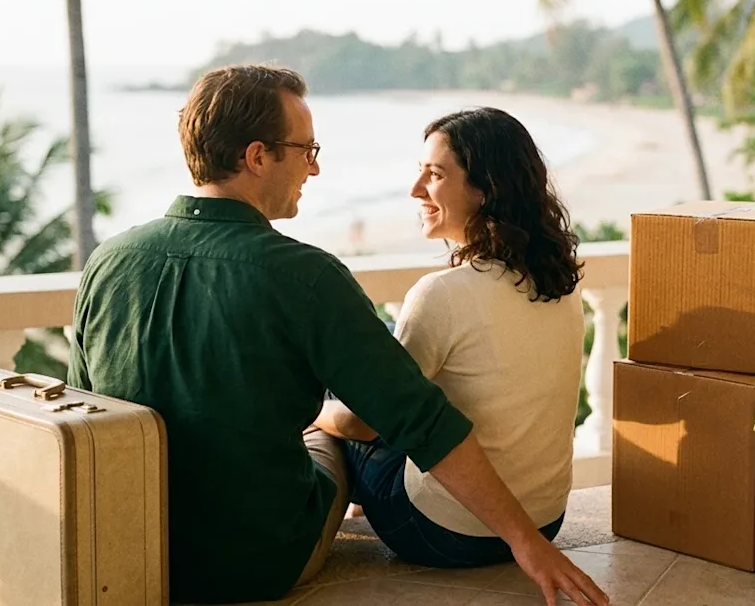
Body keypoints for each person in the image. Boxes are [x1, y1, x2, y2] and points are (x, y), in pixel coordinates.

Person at [68, 65, 608, 606]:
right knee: (326, 429)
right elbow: (423, 424)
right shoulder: (306, 276)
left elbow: (84, 418)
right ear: (258, 157)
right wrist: (526, 542)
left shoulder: (106, 262)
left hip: (139, 557)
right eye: (307, 150)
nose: (316, 168)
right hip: (262, 563)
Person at [313, 107, 587, 572]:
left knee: (345, 391)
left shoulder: (443, 294)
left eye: (435, 175)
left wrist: (316, 410)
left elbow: (367, 423)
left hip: (445, 533)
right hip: (543, 522)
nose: (416, 190)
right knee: (382, 347)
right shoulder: (558, 282)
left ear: (485, 190)